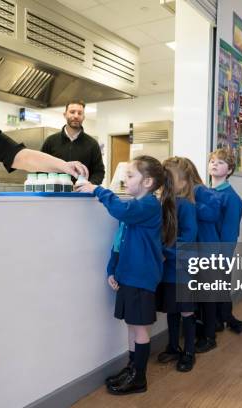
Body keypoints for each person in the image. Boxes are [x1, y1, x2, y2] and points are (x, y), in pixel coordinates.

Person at [76, 155, 176, 395]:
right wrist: (113, 269)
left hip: (141, 278)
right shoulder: (135, 205)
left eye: (131, 175)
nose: (125, 179)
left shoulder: (148, 205)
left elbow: (119, 210)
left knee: (140, 329)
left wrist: (97, 190)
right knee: (132, 326)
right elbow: (120, 241)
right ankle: (132, 368)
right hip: (129, 276)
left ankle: (139, 378)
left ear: (148, 182)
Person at [156, 157, 198, 372]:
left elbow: (187, 239)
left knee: (186, 312)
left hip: (182, 270)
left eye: (169, 179)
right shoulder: (165, 202)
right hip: (168, 269)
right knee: (172, 310)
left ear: (182, 183)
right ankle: (173, 346)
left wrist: (165, 252)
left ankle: (189, 351)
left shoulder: (187, 206)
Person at [208, 147, 242, 334]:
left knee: (219, 288)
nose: (215, 164)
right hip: (205, 251)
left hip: (220, 253)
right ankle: (224, 320)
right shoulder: (205, 192)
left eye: (221, 162)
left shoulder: (231, 198)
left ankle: (224, 320)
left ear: (229, 170)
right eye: (212, 161)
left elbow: (230, 232)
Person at [184, 160, 222, 353]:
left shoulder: (201, 191)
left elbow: (213, 213)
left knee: (207, 296)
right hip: (195, 252)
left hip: (207, 252)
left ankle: (209, 337)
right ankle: (203, 331)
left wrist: (191, 204)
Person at [41, 99, 105, 184]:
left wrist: (90, 185)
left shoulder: (92, 144)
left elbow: (99, 172)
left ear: (84, 117)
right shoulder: (51, 141)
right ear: (65, 115)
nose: (76, 116)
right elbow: (41, 167)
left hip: (82, 194)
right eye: (72, 112)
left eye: (80, 113)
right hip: (54, 194)